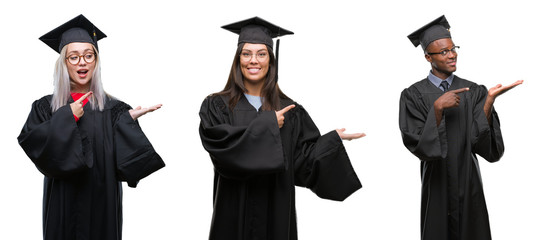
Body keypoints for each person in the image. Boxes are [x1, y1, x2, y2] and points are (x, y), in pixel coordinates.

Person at [199, 16, 365, 240]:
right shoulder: (217, 105)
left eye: (261, 54)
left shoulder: (290, 110)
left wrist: (331, 141)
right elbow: (222, 152)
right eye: (246, 54)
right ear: (238, 60)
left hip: (276, 209)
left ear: (270, 59)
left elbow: (302, 164)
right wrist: (268, 125)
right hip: (233, 209)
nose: (253, 60)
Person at [17, 14, 165, 240]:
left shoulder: (114, 109)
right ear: (63, 63)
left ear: (96, 61)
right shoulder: (46, 107)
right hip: (62, 203)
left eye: (88, 55)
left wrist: (127, 121)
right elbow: (33, 144)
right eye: (73, 57)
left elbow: (127, 164)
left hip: (102, 203)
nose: (82, 62)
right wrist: (67, 117)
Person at [399, 15, 523, 240]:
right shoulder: (413, 95)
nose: (452, 54)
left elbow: (481, 143)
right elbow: (417, 144)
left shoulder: (473, 90)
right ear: (428, 57)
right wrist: (437, 108)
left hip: (469, 181)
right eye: (444, 51)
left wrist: (488, 101)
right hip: (436, 184)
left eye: (453, 48)